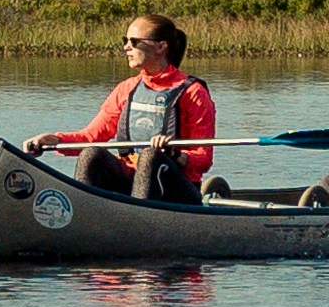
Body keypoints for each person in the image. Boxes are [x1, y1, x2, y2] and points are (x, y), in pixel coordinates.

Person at [42, 15, 219, 202]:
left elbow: (203, 159)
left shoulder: (193, 92)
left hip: (177, 189)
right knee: (91, 154)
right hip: (130, 182)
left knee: (151, 156)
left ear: (161, 47)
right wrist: (54, 139)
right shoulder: (126, 88)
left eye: (134, 42)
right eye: (125, 41)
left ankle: (138, 217)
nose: (127, 47)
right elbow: (90, 137)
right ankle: (84, 213)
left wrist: (175, 154)